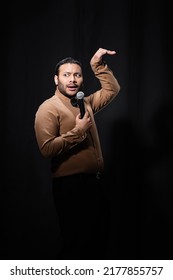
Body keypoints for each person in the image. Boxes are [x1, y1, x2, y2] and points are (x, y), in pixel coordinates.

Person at [34, 47, 120, 259]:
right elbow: (46, 149)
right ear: (56, 80)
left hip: (96, 184)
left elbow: (112, 89)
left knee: (98, 245)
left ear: (81, 80)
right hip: (71, 188)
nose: (72, 80)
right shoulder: (48, 108)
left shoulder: (86, 103)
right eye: (66, 75)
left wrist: (97, 66)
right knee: (77, 247)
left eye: (77, 75)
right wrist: (78, 132)